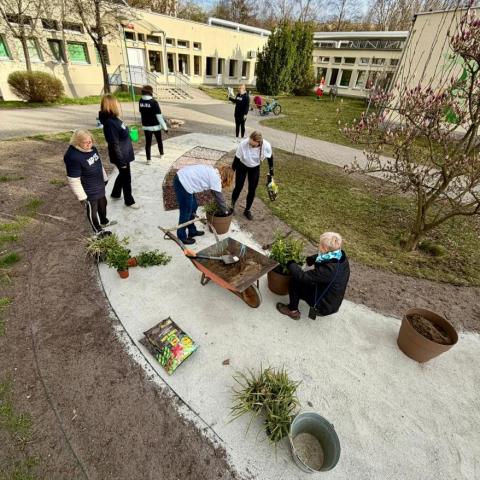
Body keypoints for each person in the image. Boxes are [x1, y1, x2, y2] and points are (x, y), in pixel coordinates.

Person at [276, 232, 350, 320]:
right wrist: (311, 259)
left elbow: (301, 276)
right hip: (331, 300)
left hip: (323, 305)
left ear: (325, 248)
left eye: (320, 244)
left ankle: (292, 311)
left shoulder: (328, 270)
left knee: (295, 281)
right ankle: (300, 296)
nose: (318, 245)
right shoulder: (340, 256)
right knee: (305, 281)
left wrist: (290, 263)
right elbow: (324, 257)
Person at [64, 129, 117, 234]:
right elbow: (74, 179)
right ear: (77, 142)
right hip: (88, 189)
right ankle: (98, 231)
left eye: (90, 141)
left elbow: (99, 164)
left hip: (99, 185)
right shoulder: (73, 157)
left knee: (103, 204)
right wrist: (81, 197)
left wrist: (104, 178)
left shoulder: (92, 148)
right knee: (93, 210)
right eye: (85, 142)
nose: (89, 144)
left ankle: (104, 221)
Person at [174, 165, 234, 245]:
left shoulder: (214, 172)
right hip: (182, 181)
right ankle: (182, 237)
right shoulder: (216, 179)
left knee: (193, 206)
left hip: (184, 178)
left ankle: (192, 231)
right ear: (227, 178)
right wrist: (226, 212)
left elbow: (214, 193)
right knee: (186, 211)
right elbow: (219, 198)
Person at [99, 95, 139, 209]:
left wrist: (128, 133)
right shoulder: (110, 123)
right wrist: (121, 162)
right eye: (117, 103)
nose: (118, 105)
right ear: (111, 105)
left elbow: (120, 133)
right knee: (126, 178)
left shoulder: (115, 119)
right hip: (121, 156)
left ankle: (116, 193)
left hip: (124, 153)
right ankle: (129, 201)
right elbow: (114, 144)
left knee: (123, 174)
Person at [231, 130, 273, 221]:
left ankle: (247, 210)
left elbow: (270, 157)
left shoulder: (266, 145)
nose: (250, 145)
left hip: (255, 168)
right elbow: (236, 159)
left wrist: (271, 170)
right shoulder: (243, 144)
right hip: (242, 166)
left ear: (258, 142)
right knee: (238, 187)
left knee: (252, 189)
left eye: (252, 145)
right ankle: (232, 206)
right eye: (250, 143)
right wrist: (231, 171)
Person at [138, 85, 168, 165]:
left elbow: (141, 112)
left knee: (148, 143)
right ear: (151, 92)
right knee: (159, 141)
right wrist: (165, 128)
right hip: (156, 126)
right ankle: (161, 154)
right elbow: (159, 116)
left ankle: (148, 160)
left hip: (146, 126)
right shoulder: (154, 102)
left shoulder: (141, 101)